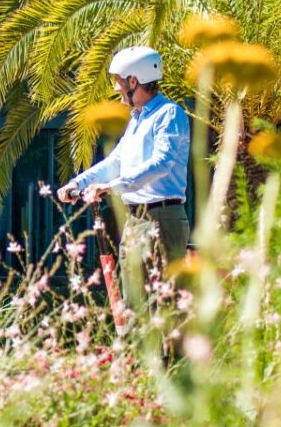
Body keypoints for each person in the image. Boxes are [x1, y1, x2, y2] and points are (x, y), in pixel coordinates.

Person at [57, 46, 190, 303]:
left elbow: (162, 163)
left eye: (118, 81)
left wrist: (112, 187)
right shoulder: (137, 120)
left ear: (133, 80)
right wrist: (78, 182)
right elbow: (116, 161)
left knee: (163, 307)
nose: (116, 88)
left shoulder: (169, 114)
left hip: (161, 219)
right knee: (133, 306)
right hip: (135, 220)